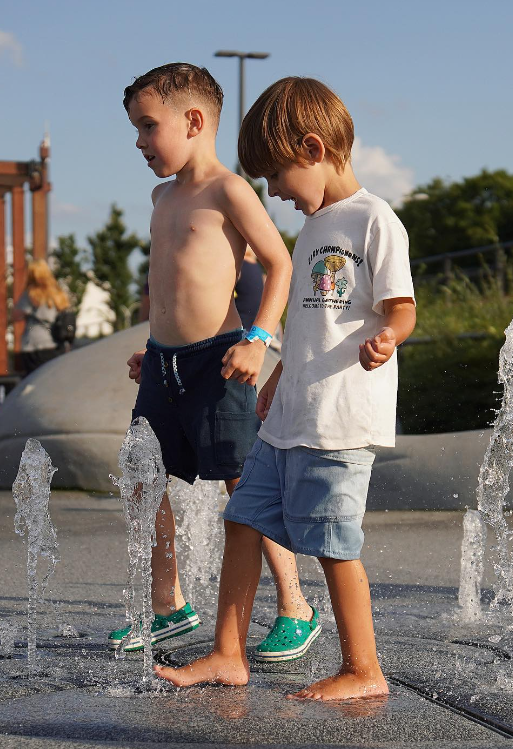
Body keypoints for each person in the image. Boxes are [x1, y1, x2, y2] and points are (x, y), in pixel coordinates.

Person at [155, 77, 416, 700]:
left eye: (277, 176)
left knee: (332, 540)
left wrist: (389, 339)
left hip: (340, 420)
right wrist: (274, 381)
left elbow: (401, 307)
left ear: (312, 147)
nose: (274, 192)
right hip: (290, 415)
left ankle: (363, 669)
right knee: (243, 520)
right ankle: (227, 653)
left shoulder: (374, 220)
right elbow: (308, 328)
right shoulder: (313, 231)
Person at [110, 63, 313, 658]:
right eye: (136, 129)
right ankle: (168, 605)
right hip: (164, 363)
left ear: (193, 120)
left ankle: (295, 605)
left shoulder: (229, 190)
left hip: (221, 361)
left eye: (148, 126)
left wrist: (256, 338)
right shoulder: (160, 196)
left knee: (242, 483)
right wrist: (152, 345)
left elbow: (281, 264)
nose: (140, 141)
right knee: (144, 478)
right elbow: (169, 285)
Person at [12, 259, 71, 376]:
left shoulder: (31, 294)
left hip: (34, 346)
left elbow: (16, 315)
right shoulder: (58, 293)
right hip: (55, 345)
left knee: (35, 381)